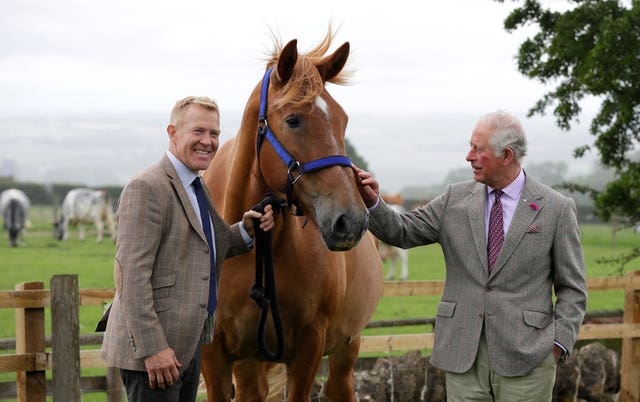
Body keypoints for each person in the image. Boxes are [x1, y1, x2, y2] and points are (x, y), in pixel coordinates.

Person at [353, 110, 587, 401]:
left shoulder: (556, 208)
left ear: (507, 155)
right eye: (470, 146)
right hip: (464, 356)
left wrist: (557, 346)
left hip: (529, 360)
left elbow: (573, 289)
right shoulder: (454, 198)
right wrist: (373, 202)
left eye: (479, 149)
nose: (468, 156)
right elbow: (402, 230)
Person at [101, 96, 274, 402]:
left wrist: (247, 230)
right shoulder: (147, 187)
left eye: (214, 134)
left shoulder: (195, 184)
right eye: (198, 132)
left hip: (188, 344)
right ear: (173, 133)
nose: (207, 142)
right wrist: (154, 349)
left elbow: (211, 246)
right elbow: (131, 276)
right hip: (154, 353)